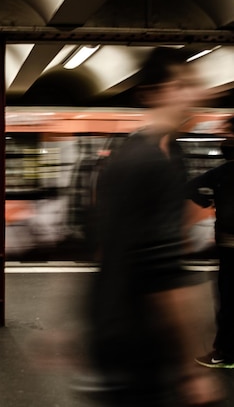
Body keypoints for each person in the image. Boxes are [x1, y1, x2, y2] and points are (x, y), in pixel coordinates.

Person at [78, 47, 225, 406]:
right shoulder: (152, 162)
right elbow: (165, 274)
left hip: (116, 331)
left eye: (194, 84)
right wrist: (192, 368)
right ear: (154, 93)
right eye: (182, 84)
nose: (195, 93)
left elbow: (100, 243)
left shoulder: (153, 151)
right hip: (138, 340)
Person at [185, 116, 234, 368]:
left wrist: (207, 203)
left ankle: (225, 353)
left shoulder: (222, 173)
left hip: (230, 246)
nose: (225, 141)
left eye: (228, 135)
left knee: (228, 299)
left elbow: (189, 187)